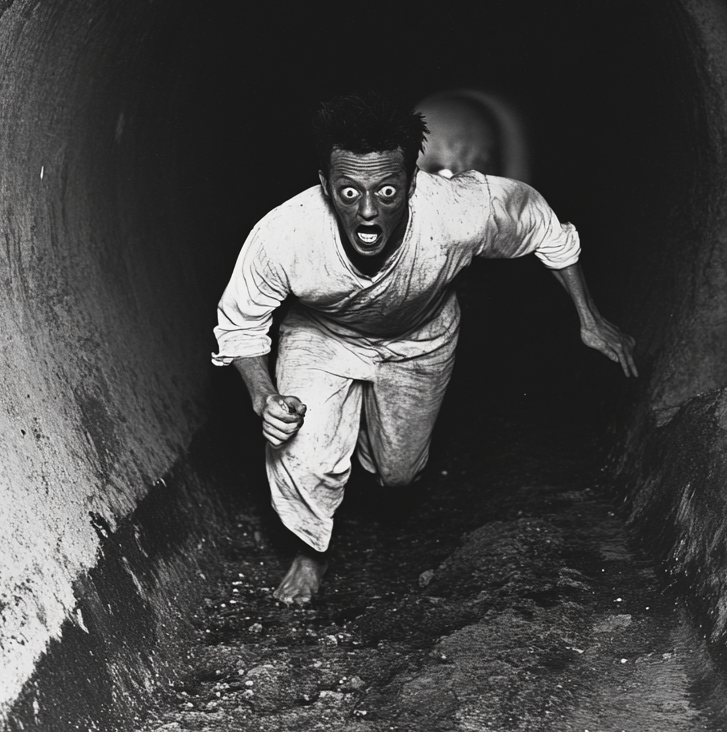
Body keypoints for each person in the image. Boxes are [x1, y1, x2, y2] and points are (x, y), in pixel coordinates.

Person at [212, 90, 637, 605]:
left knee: (398, 474)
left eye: (387, 192)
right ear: (325, 185)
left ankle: (357, 442)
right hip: (322, 336)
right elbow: (239, 324)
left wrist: (590, 319)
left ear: (412, 183)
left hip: (421, 338)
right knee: (303, 453)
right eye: (349, 193)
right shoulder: (283, 235)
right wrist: (263, 395)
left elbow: (545, 228)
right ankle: (310, 554)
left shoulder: (461, 209)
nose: (368, 212)